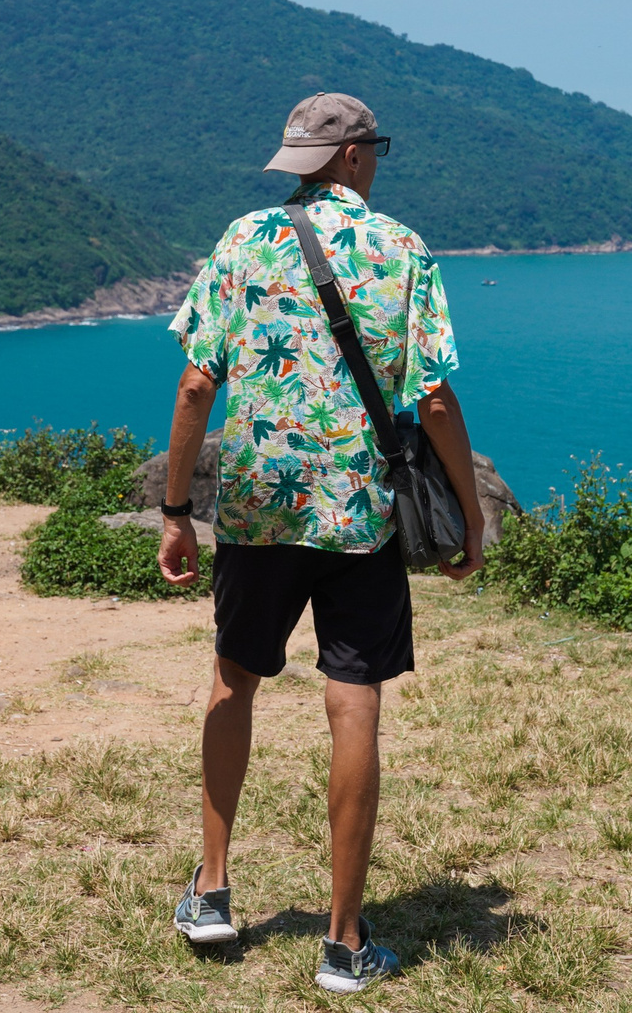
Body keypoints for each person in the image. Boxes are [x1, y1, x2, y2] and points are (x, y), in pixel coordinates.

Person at [155, 91, 488, 994]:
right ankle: (343, 943)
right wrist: (471, 508)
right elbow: (436, 400)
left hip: (260, 512)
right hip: (360, 521)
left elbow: (195, 385)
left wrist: (178, 508)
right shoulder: (404, 250)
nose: (373, 161)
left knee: (235, 677)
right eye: (371, 148)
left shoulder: (244, 240)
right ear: (348, 158)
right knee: (354, 703)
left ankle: (214, 891)